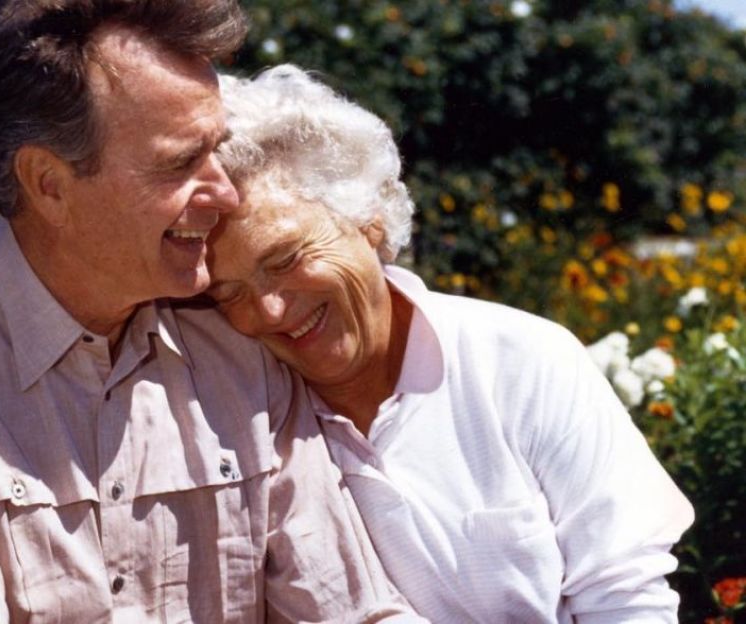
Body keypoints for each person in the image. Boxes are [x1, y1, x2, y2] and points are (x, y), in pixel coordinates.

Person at [0, 4, 421, 622]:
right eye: (179, 163)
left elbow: (354, 610)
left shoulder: (233, 332)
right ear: (48, 184)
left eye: (217, 151)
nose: (224, 193)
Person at [207, 64, 696, 624]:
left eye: (288, 258)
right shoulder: (247, 417)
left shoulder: (523, 362)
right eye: (228, 293)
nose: (267, 310)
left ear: (367, 222)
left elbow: (626, 597)